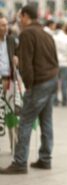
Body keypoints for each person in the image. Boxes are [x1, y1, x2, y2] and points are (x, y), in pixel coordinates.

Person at [0, 5, 59, 174]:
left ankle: (19, 162)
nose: (19, 19)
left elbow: (25, 63)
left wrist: (28, 85)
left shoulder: (27, 34)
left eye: (20, 16)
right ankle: (45, 158)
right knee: (46, 120)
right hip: (50, 80)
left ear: (25, 16)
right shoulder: (46, 34)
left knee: (25, 121)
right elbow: (54, 59)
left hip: (39, 82)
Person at [0, 14, 19, 149]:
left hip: (9, 80)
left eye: (6, 24)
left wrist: (17, 58)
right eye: (2, 25)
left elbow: (18, 54)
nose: (6, 27)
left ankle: (14, 145)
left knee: (12, 113)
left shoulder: (11, 40)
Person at [53, 22, 67, 106]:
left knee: (55, 82)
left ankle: (55, 100)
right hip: (66, 62)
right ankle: (65, 100)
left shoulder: (54, 37)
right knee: (64, 82)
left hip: (56, 62)